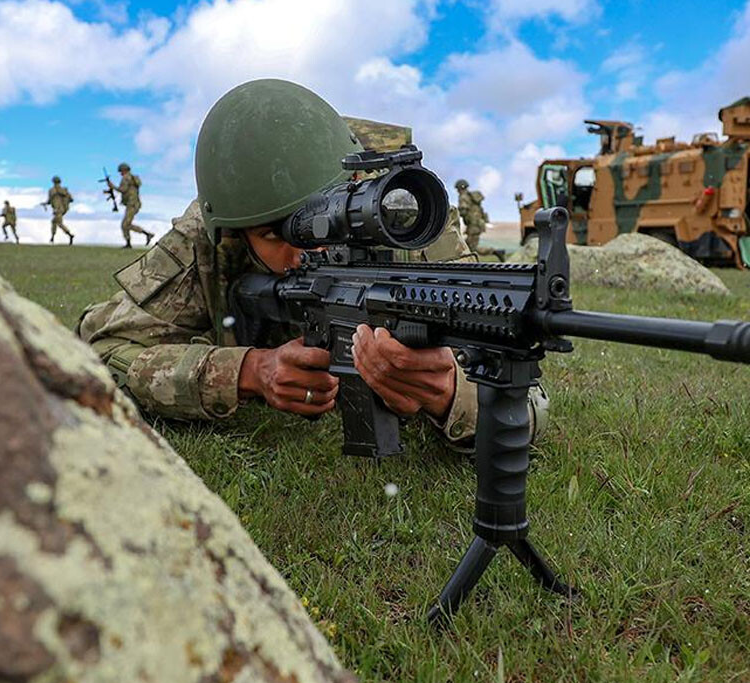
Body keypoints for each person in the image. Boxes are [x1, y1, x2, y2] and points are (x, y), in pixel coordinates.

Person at [78, 78, 545, 448]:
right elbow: (102, 349)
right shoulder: (211, 227)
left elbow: (530, 404)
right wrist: (246, 371)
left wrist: (448, 394)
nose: (307, 249)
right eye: (274, 234)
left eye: (315, 221)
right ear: (235, 231)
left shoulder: (403, 213)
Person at [117, 162, 154, 248]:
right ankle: (145, 235)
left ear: (124, 170)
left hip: (132, 204)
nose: (120, 173)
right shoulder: (133, 178)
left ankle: (131, 242)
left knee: (125, 225)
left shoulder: (126, 178)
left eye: (121, 171)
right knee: (126, 224)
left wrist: (112, 186)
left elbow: (123, 190)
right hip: (135, 204)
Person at [454, 179, 489, 254]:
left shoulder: (463, 197)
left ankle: (494, 252)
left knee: (470, 247)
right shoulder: (471, 197)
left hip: (474, 225)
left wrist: (454, 215)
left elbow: (463, 210)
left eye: (457, 189)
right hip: (477, 224)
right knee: (469, 246)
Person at [46, 176, 75, 244]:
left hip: (57, 209)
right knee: (54, 222)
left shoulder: (52, 190)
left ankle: (70, 234)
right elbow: (71, 199)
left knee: (59, 223)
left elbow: (49, 201)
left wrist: (46, 203)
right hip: (63, 209)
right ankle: (52, 237)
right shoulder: (64, 190)